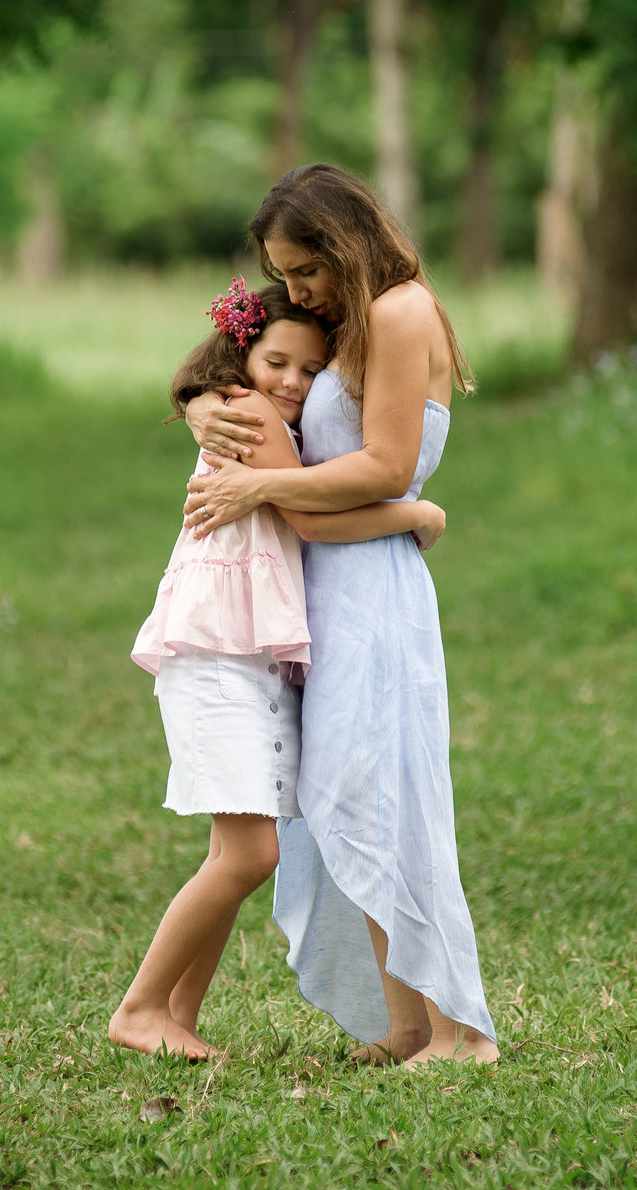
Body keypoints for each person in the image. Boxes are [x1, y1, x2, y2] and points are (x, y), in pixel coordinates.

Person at [180, 165, 498, 1066]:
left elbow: (388, 466)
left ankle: (459, 1028)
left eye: (304, 270)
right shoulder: (348, 322)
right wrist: (206, 405)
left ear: (341, 243)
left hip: (371, 590)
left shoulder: (400, 313)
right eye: (282, 276)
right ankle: (405, 1025)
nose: (295, 291)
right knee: (350, 800)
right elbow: (247, 375)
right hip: (327, 587)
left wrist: (260, 487)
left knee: (391, 800)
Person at [111, 280, 448, 1060]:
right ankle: (139, 1007)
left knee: (233, 852)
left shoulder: (249, 407)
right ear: (242, 353)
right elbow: (305, 515)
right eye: (276, 361)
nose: (292, 383)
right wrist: (416, 514)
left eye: (310, 369)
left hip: (250, 661)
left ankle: (176, 1014)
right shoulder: (252, 412)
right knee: (251, 854)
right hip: (219, 657)